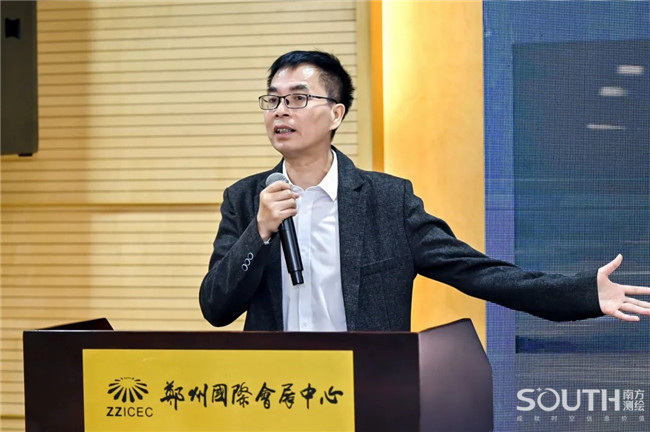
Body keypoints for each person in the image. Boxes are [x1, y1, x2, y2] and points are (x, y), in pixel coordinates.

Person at [199, 50, 650, 331]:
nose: (281, 111)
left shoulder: (387, 201)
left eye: (298, 98)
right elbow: (216, 308)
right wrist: (259, 232)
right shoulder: (245, 200)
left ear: (336, 114)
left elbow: (478, 272)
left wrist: (581, 293)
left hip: (366, 387)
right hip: (278, 391)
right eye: (273, 100)